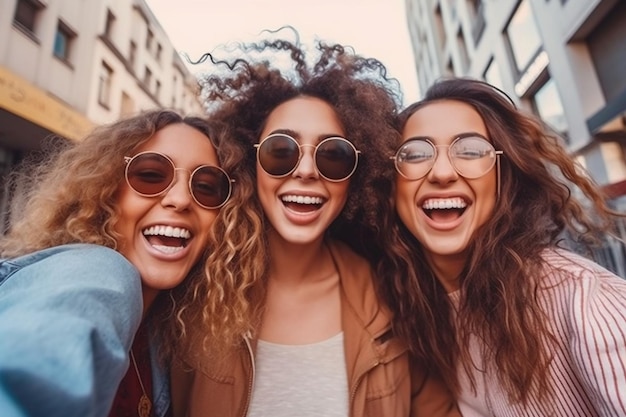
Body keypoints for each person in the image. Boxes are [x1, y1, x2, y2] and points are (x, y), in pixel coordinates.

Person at [167, 34, 461, 417]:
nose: (306, 170)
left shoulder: (396, 296)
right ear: (249, 161)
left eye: (333, 155)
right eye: (281, 151)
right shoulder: (192, 287)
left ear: (358, 174)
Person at [379, 77, 626, 416]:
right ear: (390, 186)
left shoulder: (585, 301)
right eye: (415, 154)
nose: (441, 172)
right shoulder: (406, 312)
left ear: (502, 176)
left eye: (469, 150)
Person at [0, 109, 235, 417]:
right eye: (151, 175)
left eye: (206, 186)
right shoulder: (95, 269)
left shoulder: (161, 341)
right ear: (107, 193)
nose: (180, 199)